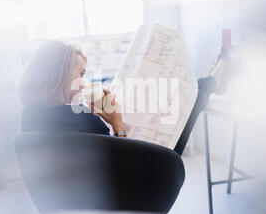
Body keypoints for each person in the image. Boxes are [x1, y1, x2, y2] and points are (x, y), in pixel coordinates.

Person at [19, 40, 232, 155]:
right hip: (131, 192)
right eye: (81, 74)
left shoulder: (29, 116)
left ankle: (212, 80)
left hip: (69, 200)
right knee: (193, 98)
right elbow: (123, 162)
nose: (83, 83)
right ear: (61, 73)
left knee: (189, 94)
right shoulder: (83, 119)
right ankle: (213, 81)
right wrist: (116, 123)